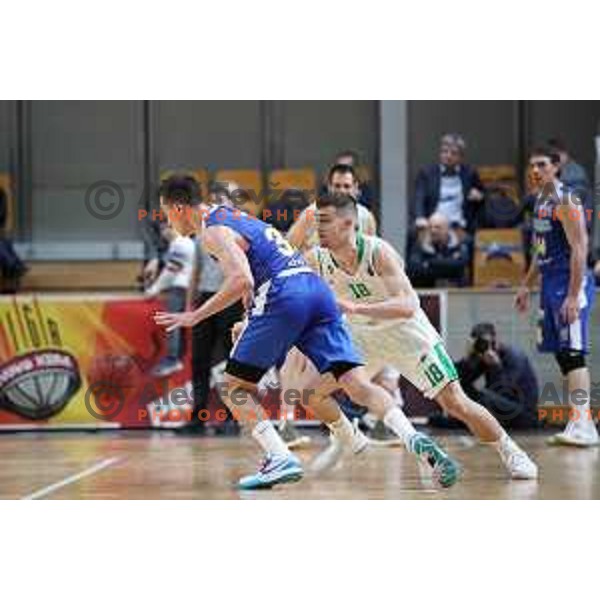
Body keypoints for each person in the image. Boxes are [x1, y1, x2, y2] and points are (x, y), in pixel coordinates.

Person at [154, 176, 459, 490]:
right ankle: (412, 437)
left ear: (178, 208)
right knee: (354, 381)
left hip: (284, 296)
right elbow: (257, 269)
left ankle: (279, 456)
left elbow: (241, 280)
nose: (167, 221)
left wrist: (195, 315)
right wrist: (250, 314)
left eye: (166, 213)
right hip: (315, 290)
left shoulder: (211, 230)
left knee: (233, 386)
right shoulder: (232, 216)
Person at [305, 193, 537, 479]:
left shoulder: (378, 252)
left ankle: (511, 451)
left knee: (455, 404)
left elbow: (408, 305)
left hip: (408, 335)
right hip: (363, 336)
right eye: (316, 222)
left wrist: (354, 307)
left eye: (325, 221)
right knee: (314, 393)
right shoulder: (316, 259)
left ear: (348, 223)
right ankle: (345, 437)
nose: (318, 228)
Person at [515, 146, 598, 446]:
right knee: (563, 354)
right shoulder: (539, 202)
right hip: (549, 283)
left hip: (568, 283)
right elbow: (540, 250)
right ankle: (579, 421)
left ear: (556, 167)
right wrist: (526, 284)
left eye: (541, 165)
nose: (535, 171)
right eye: (531, 165)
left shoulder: (566, 199)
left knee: (574, 353)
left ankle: (583, 424)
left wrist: (574, 295)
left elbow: (580, 248)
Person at [431, 323, 540, 430]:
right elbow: (459, 381)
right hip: (499, 409)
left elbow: (506, 391)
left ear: (495, 341)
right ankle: (461, 422)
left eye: (486, 342)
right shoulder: (482, 355)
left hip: (522, 412)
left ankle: (461, 423)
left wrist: (496, 366)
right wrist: (467, 359)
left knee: (484, 397)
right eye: (479, 343)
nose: (483, 346)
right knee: (462, 391)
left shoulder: (514, 356)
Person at [287, 164, 376, 252]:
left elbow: (371, 253)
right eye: (337, 186)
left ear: (355, 187)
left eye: (346, 186)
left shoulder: (366, 217)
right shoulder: (311, 213)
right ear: (329, 187)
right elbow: (288, 249)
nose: (342, 191)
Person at [145, 224, 193, 377]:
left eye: (164, 229)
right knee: (178, 324)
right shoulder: (180, 244)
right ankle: (177, 358)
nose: (162, 233)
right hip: (184, 287)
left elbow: (171, 270)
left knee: (172, 324)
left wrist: (154, 289)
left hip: (180, 289)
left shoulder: (180, 244)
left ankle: (173, 359)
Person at [413, 133, 485, 234]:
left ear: (461, 157)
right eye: (444, 152)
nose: (448, 156)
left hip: (459, 226)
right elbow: (418, 198)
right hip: (433, 226)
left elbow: (483, 195)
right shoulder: (427, 173)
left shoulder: (469, 174)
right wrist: (420, 217)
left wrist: (479, 196)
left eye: (453, 153)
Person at [407, 212, 471, 288]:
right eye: (430, 227)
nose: (433, 231)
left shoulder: (460, 244)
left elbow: (460, 266)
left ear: (447, 229)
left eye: (437, 227)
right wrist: (448, 267)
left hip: (455, 293)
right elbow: (414, 269)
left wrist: (428, 263)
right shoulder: (419, 245)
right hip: (428, 293)